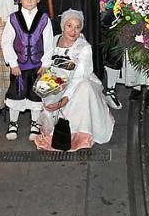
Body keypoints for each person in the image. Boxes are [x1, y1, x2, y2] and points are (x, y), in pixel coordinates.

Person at [34, 9, 115, 151]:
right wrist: (44, 71)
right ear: (63, 26)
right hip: (57, 82)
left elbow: (79, 77)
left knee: (84, 88)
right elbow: (47, 60)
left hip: (78, 85)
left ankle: (80, 134)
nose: (73, 31)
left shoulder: (84, 48)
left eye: (77, 27)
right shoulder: (54, 40)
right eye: (69, 26)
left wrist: (65, 99)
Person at [1, 0, 50, 141]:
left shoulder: (44, 19)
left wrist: (45, 63)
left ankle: (35, 123)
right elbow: (6, 42)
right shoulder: (13, 19)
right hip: (19, 67)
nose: (29, 1)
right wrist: (13, 63)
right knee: (16, 94)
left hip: (37, 66)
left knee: (36, 95)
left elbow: (49, 43)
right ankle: (13, 122)